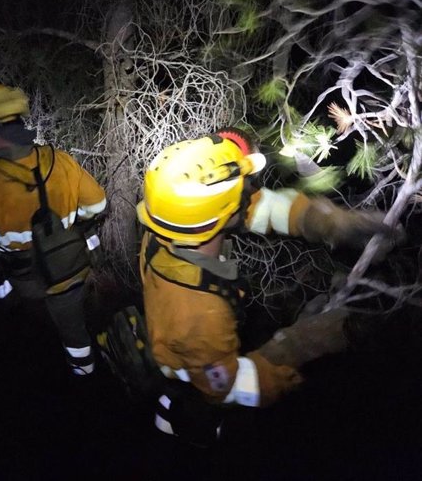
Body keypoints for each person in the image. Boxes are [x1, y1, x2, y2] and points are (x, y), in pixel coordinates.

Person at [135, 128, 402, 445]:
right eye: (244, 189)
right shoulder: (197, 314)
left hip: (194, 348)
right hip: (201, 383)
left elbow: (253, 207)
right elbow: (232, 387)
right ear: (224, 213)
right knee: (221, 425)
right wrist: (303, 341)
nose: (252, 190)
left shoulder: (172, 224)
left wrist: (330, 223)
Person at [0, 82, 107, 376]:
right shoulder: (60, 160)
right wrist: (64, 224)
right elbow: (98, 205)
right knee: (75, 336)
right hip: (71, 270)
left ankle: (12, 357)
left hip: (26, 281)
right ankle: (86, 381)